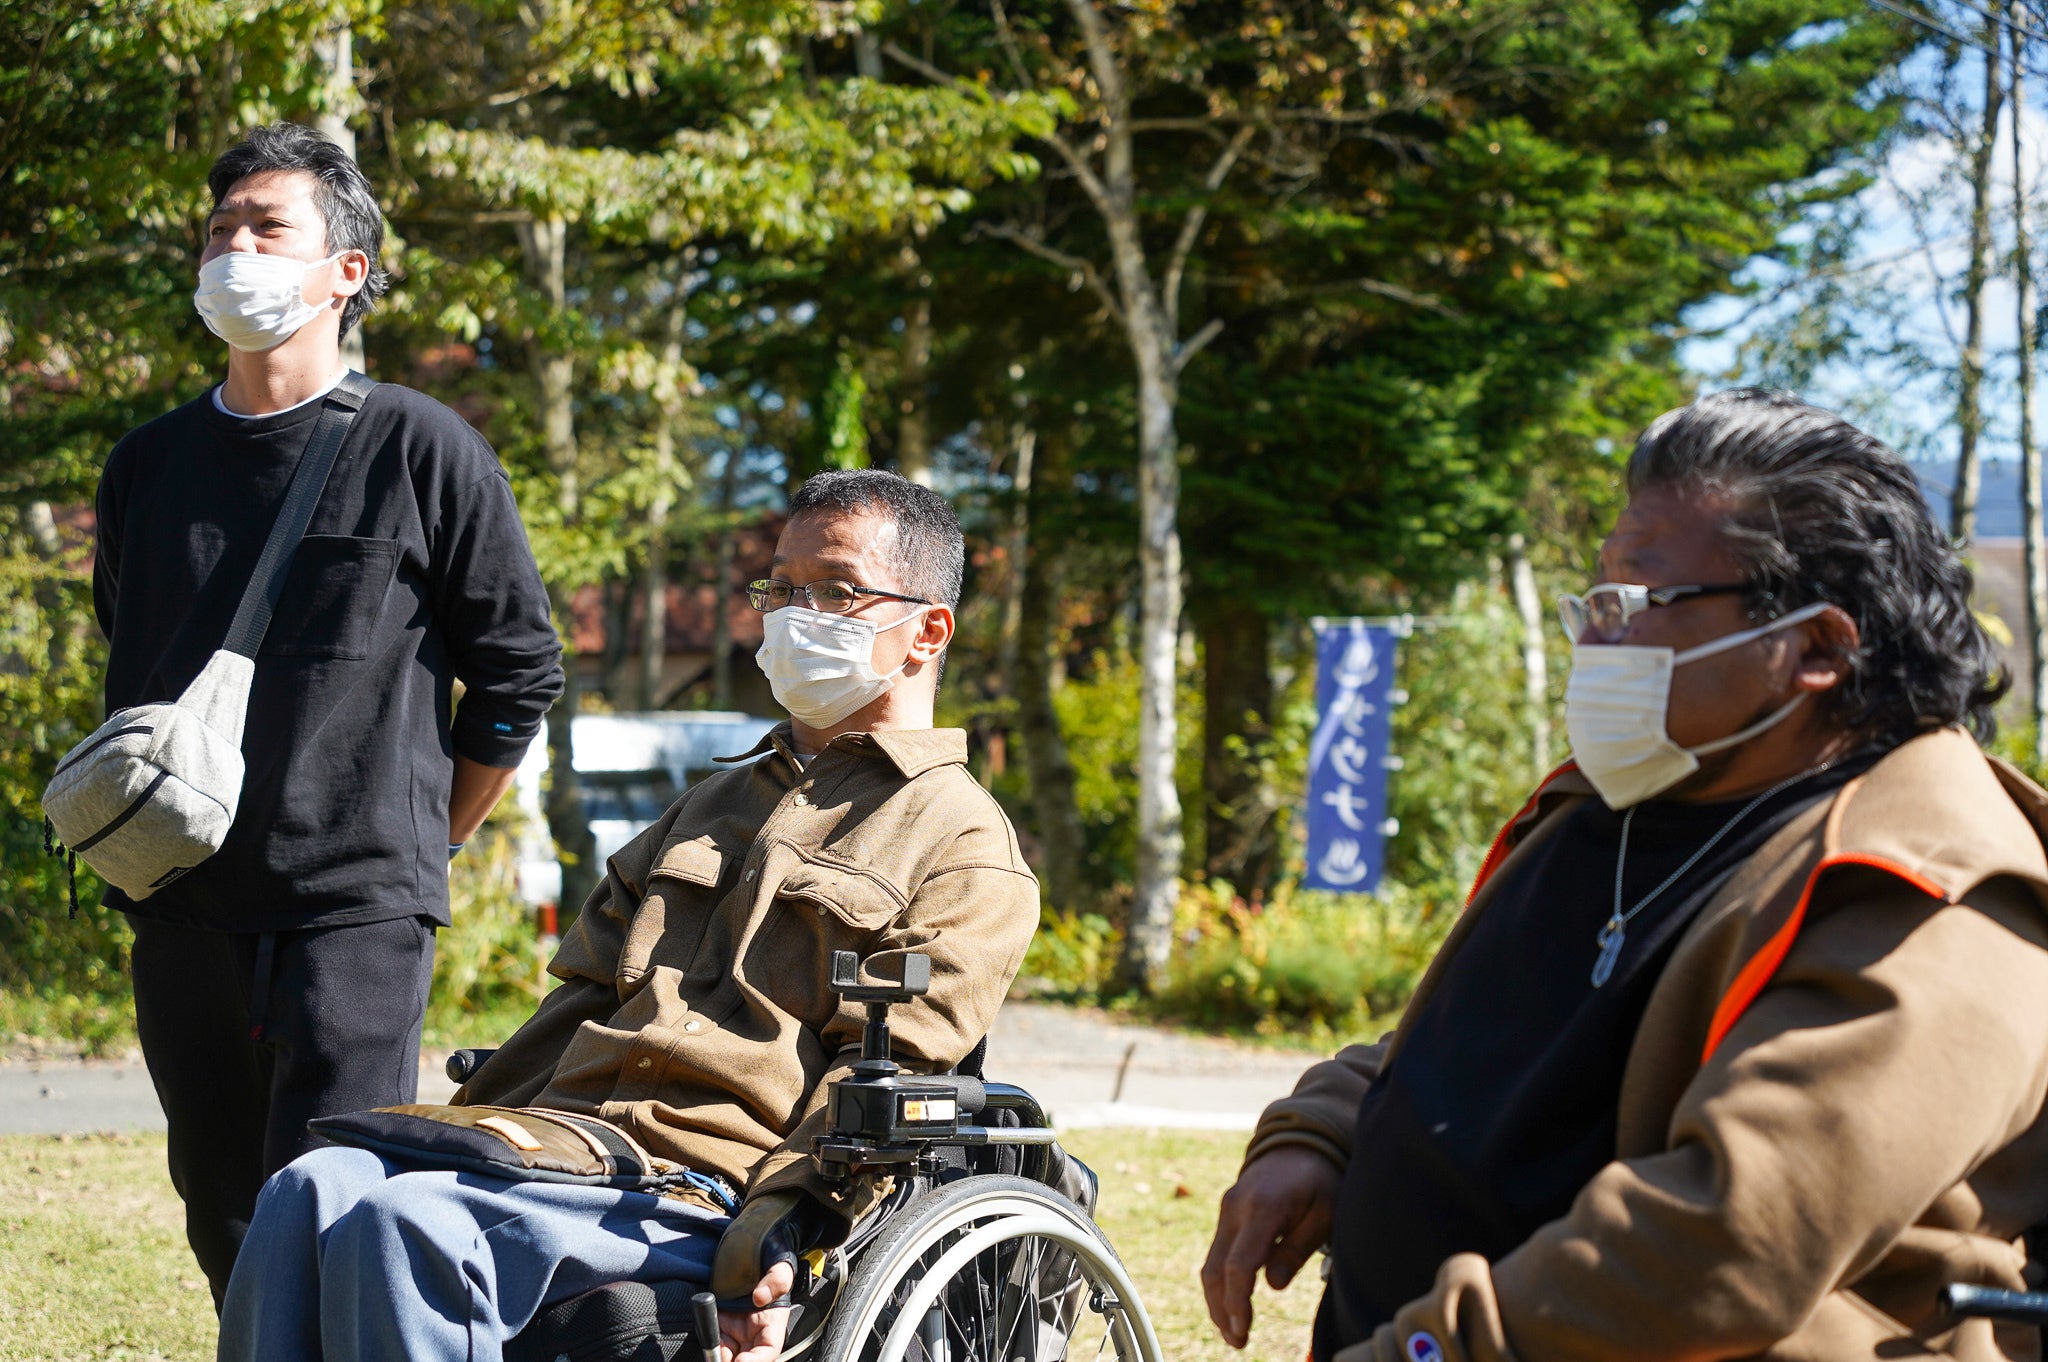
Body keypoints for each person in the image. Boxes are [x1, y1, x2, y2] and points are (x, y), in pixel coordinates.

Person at [1202, 389, 2048, 1362]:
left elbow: (1723, 1242)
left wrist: (1425, 1350)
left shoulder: (1930, 889)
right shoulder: (1615, 804)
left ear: (1815, 646)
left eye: (1635, 603)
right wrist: (1324, 1127)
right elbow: (1481, 1047)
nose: (1591, 640)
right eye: (1591, 600)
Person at [215, 468, 1044, 1362]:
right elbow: (573, 1004)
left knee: (403, 1225)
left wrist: (786, 1233)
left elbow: (893, 1072)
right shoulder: (706, 806)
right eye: (781, 589)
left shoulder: (962, 843)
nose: (795, 614)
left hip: (704, 1184)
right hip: (563, 1146)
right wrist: (455, 1130)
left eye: (836, 590)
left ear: (926, 630)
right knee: (308, 1188)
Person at [90, 123, 563, 1306]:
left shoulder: (423, 447)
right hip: (178, 894)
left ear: (346, 272)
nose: (231, 250)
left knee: (330, 1193)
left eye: (265, 228)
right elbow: (130, 651)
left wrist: (426, 843)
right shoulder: (146, 466)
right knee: (219, 1202)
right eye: (217, 230)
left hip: (353, 906)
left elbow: (519, 675)